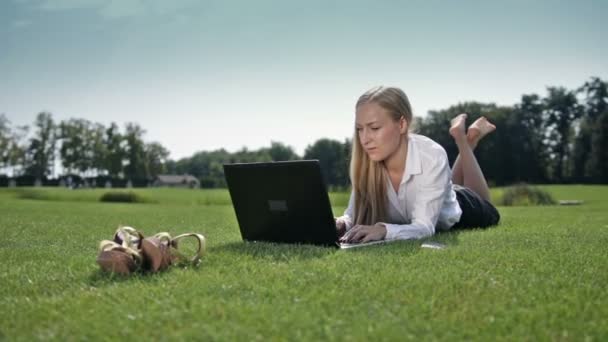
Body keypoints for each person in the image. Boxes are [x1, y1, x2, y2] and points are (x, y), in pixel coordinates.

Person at [336, 86, 500, 243]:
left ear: (401, 124)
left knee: (488, 206)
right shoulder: (366, 163)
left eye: (374, 127)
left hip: (464, 207)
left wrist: (383, 230)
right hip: (437, 188)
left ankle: (465, 141)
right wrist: (340, 223)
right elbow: (352, 215)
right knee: (450, 184)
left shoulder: (431, 155)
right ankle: (466, 140)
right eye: (359, 129)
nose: (364, 139)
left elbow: (424, 227)